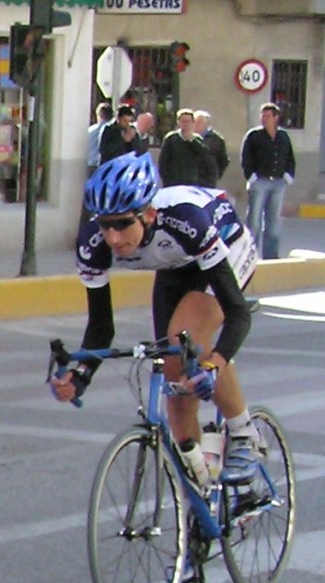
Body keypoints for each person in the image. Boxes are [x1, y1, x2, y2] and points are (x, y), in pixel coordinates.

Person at [51, 152, 264, 492]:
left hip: (225, 246)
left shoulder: (185, 220)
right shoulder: (93, 244)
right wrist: (80, 376)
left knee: (185, 335)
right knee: (174, 379)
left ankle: (243, 432)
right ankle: (200, 496)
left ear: (149, 214)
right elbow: (101, 327)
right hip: (174, 264)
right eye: (105, 224)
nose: (113, 237)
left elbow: (237, 313)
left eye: (123, 223)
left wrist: (214, 363)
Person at [241, 102, 296, 260]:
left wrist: (288, 176)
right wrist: (251, 176)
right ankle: (250, 254)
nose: (264, 118)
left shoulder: (283, 136)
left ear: (276, 118)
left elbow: (290, 157)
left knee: (274, 221)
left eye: (267, 116)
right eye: (262, 115)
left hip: (278, 183)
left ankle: (271, 255)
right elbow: (245, 157)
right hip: (259, 182)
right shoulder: (254, 135)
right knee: (254, 221)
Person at [158, 108, 217, 187]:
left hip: (192, 182)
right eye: (183, 121)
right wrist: (167, 180)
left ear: (193, 123)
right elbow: (163, 162)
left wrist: (191, 141)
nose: (186, 124)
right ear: (178, 122)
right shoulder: (171, 138)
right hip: (173, 183)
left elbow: (206, 157)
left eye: (188, 121)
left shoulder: (198, 139)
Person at [194, 109, 229, 184]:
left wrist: (215, 174)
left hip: (207, 179)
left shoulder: (216, 139)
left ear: (207, 124)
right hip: (189, 178)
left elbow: (223, 160)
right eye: (194, 121)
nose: (196, 124)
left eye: (199, 122)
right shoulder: (188, 137)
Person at [87, 102, 114, 176]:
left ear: (99, 115)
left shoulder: (90, 130)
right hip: (107, 166)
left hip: (91, 165)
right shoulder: (114, 131)